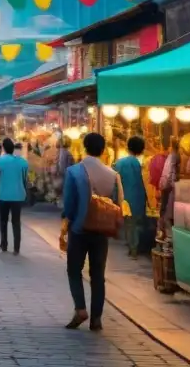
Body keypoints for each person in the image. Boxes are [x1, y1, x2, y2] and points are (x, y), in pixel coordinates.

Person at [62, 133, 121, 331]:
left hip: (79, 228)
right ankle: (97, 318)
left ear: (85, 147)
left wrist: (67, 220)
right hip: (101, 230)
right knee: (98, 274)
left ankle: (80, 308)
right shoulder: (112, 174)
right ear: (103, 150)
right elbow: (116, 203)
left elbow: (69, 204)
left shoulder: (73, 171)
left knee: (74, 270)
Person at [0, 138, 30, 254]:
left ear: (3, 148)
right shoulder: (23, 162)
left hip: (3, 195)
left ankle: (4, 245)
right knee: (16, 221)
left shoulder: (0, 161)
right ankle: (16, 248)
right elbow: (25, 179)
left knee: (3, 220)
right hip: (18, 195)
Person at [113, 136, 147, 259]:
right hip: (141, 197)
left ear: (128, 147)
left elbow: (115, 183)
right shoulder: (143, 163)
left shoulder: (120, 163)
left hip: (126, 198)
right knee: (138, 223)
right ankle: (136, 246)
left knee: (130, 224)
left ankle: (133, 248)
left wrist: (115, 198)